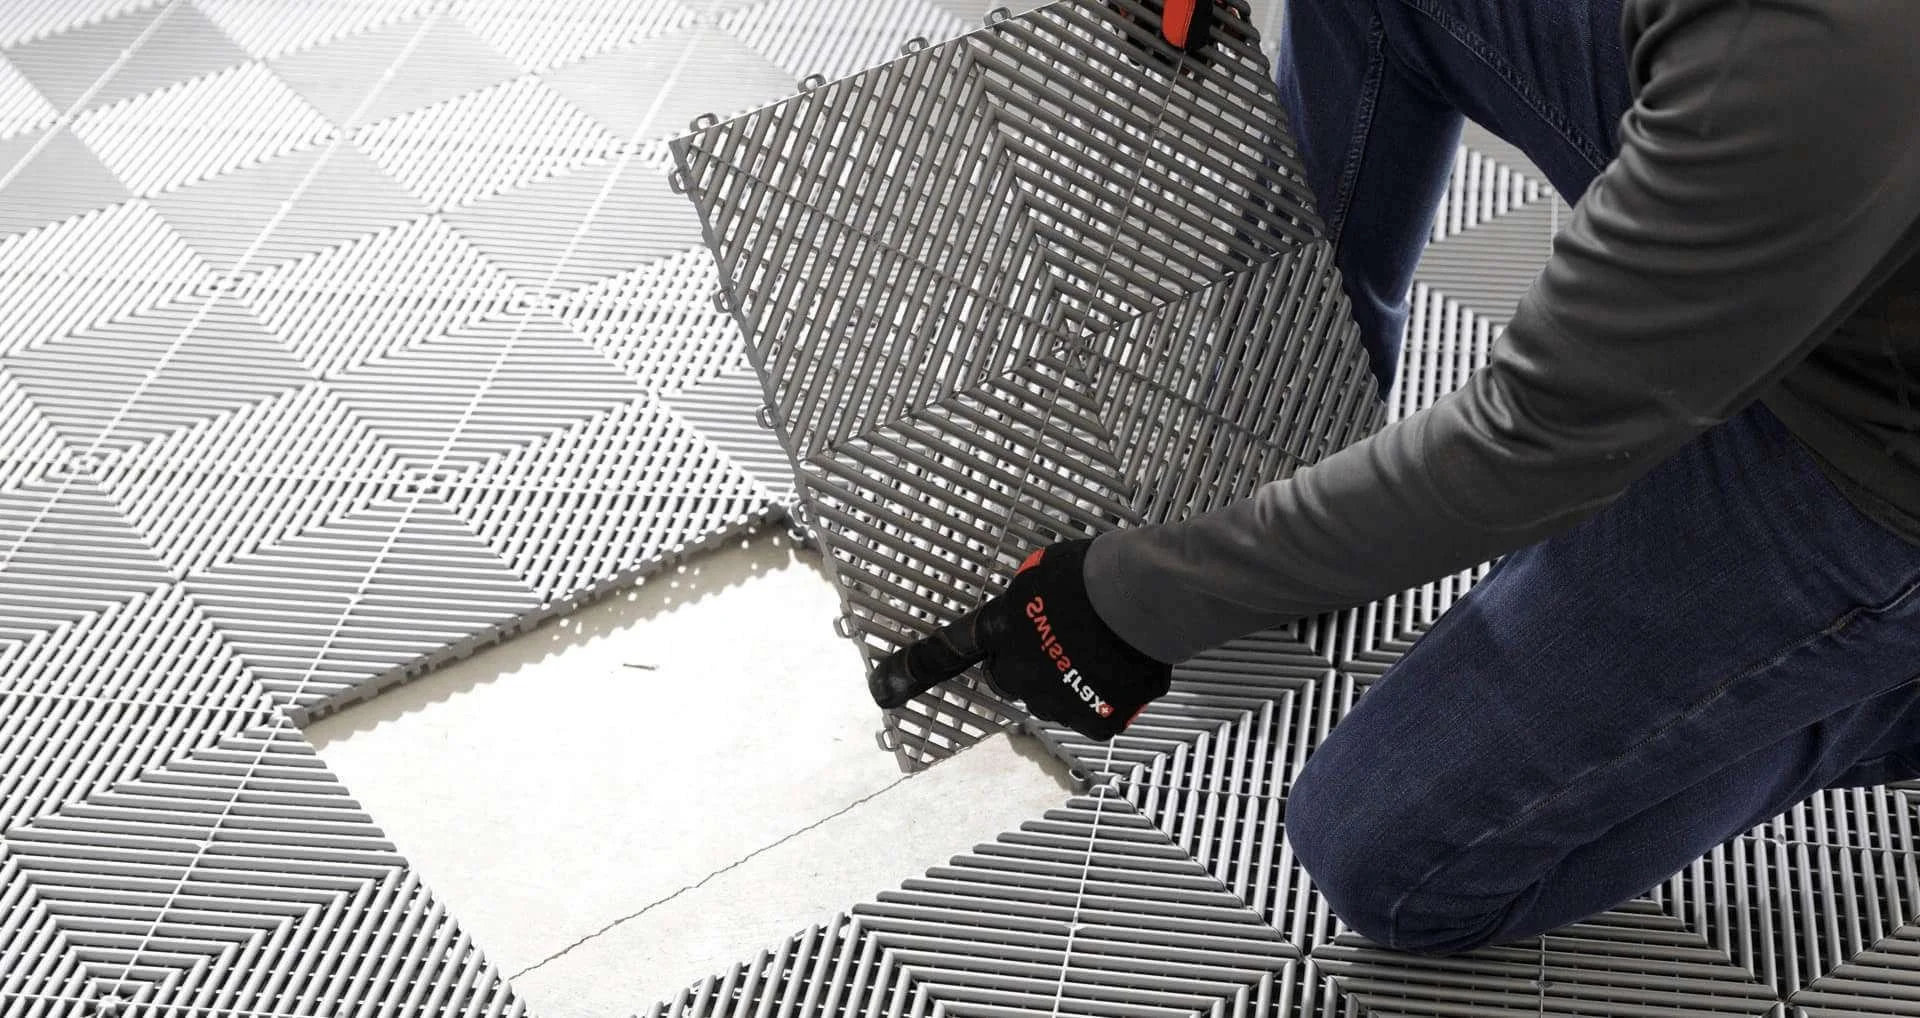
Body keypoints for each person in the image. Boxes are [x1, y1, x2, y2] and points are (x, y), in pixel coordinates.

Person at [949, 0, 1920, 956]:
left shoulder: (1833, 49)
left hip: (1869, 451)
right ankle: (1286, 436)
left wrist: (1136, 603)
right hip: (1810, 174)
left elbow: (1534, 441)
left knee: (1386, 853)